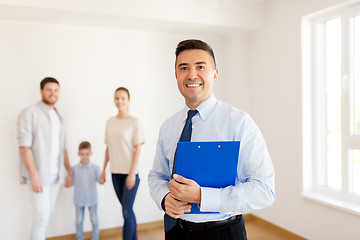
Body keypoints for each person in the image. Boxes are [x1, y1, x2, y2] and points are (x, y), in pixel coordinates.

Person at [148, 39, 275, 240]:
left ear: (215, 74)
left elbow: (264, 189)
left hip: (223, 232)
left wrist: (201, 196)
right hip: (175, 230)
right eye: (184, 68)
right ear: (176, 76)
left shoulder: (239, 123)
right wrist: (164, 198)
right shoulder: (168, 127)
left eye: (200, 67)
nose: (192, 75)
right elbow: (157, 176)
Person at [17, 77, 72, 240]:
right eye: (49, 90)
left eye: (56, 90)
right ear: (41, 91)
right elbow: (24, 146)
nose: (53, 93)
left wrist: (69, 171)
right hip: (39, 175)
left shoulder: (58, 116)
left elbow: (63, 148)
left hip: (56, 177)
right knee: (40, 217)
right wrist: (34, 175)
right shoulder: (29, 112)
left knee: (46, 216)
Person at [99, 87, 144, 240]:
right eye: (117, 98)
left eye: (123, 98)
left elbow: (138, 148)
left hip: (130, 174)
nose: (120, 101)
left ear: (128, 100)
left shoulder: (134, 122)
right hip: (115, 173)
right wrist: (103, 170)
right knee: (127, 210)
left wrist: (132, 174)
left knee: (126, 211)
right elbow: (108, 148)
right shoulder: (110, 122)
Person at [71, 141, 101, 240]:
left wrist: (102, 179)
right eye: (82, 154)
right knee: (79, 220)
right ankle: (80, 238)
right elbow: (71, 181)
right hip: (79, 199)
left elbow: (100, 180)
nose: (84, 156)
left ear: (90, 154)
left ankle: (95, 238)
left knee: (94, 220)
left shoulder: (95, 168)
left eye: (87, 154)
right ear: (78, 154)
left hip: (92, 199)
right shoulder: (74, 169)